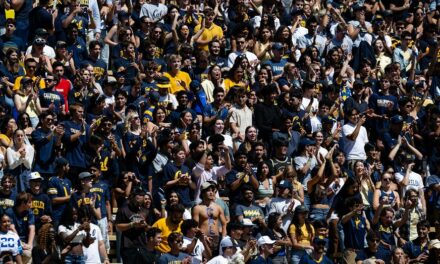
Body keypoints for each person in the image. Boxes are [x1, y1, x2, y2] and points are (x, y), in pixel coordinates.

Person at [192, 181, 227, 255]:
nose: (211, 193)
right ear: (203, 193)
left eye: (212, 190)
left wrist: (223, 238)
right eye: (208, 190)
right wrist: (203, 237)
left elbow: (224, 223)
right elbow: (195, 226)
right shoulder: (197, 208)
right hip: (203, 238)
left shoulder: (218, 207)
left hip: (216, 239)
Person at [115, 186, 149, 263]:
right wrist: (132, 224)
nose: (139, 204)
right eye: (137, 201)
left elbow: (150, 228)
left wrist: (145, 225)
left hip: (142, 244)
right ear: (132, 197)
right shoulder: (123, 209)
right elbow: (118, 227)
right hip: (128, 246)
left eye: (141, 201)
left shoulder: (146, 210)